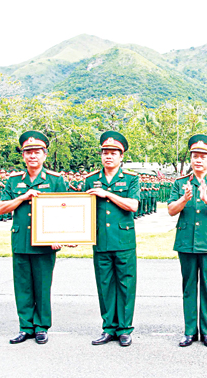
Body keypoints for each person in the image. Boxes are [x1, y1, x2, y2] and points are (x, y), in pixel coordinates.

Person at [0, 131, 66, 345]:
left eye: (36, 152)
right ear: (23, 156)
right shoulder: (14, 181)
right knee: (23, 286)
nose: (32, 156)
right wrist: (23, 197)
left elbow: (65, 211)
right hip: (21, 240)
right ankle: (25, 326)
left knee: (43, 285)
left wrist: (59, 236)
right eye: (28, 152)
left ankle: (41, 326)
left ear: (44, 154)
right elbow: (1, 208)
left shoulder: (55, 180)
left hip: (45, 243)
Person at [168, 134, 207, 348]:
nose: (198, 160)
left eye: (203, 156)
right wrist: (184, 199)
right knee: (188, 287)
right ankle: (189, 331)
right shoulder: (180, 183)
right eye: (195, 156)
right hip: (186, 241)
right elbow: (170, 211)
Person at [85, 131, 140, 347]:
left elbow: (133, 205)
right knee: (105, 284)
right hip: (100, 240)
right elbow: (83, 211)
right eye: (105, 152)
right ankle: (108, 327)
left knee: (126, 284)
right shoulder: (91, 180)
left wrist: (107, 194)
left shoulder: (131, 179)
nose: (108, 156)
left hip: (123, 240)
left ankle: (125, 329)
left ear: (121, 156)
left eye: (113, 153)